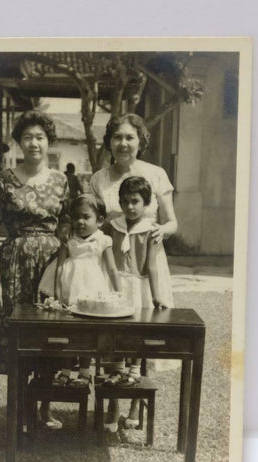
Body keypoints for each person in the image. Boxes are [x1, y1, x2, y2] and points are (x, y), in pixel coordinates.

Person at [0, 110, 69, 430]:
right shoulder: (4, 181)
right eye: (28, 137)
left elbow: (69, 230)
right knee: (17, 336)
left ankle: (44, 408)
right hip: (13, 265)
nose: (34, 143)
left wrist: (68, 274)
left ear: (49, 142)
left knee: (49, 335)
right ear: (19, 143)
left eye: (40, 137)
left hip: (50, 267)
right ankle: (17, 410)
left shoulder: (61, 181)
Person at [90, 113, 178, 430]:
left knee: (146, 337)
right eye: (117, 137)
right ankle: (112, 406)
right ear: (109, 142)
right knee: (111, 336)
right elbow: (95, 221)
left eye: (130, 137)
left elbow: (172, 221)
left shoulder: (156, 174)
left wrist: (161, 232)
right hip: (111, 268)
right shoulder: (99, 179)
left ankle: (138, 407)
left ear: (140, 141)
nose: (123, 143)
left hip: (147, 264)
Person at [102, 176, 164, 398]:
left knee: (137, 329)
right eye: (126, 201)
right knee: (116, 329)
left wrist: (157, 297)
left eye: (135, 201)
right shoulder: (112, 226)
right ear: (120, 202)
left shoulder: (151, 230)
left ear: (145, 203)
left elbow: (153, 266)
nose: (130, 206)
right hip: (115, 285)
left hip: (138, 286)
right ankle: (117, 368)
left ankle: (135, 369)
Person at [52, 194, 122, 387]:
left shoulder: (103, 240)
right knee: (68, 332)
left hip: (92, 290)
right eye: (76, 217)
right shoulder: (68, 240)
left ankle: (84, 373)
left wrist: (118, 293)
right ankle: (65, 370)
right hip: (70, 289)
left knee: (87, 333)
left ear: (99, 220)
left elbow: (112, 269)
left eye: (86, 217)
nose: (80, 222)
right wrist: (58, 293)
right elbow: (59, 267)